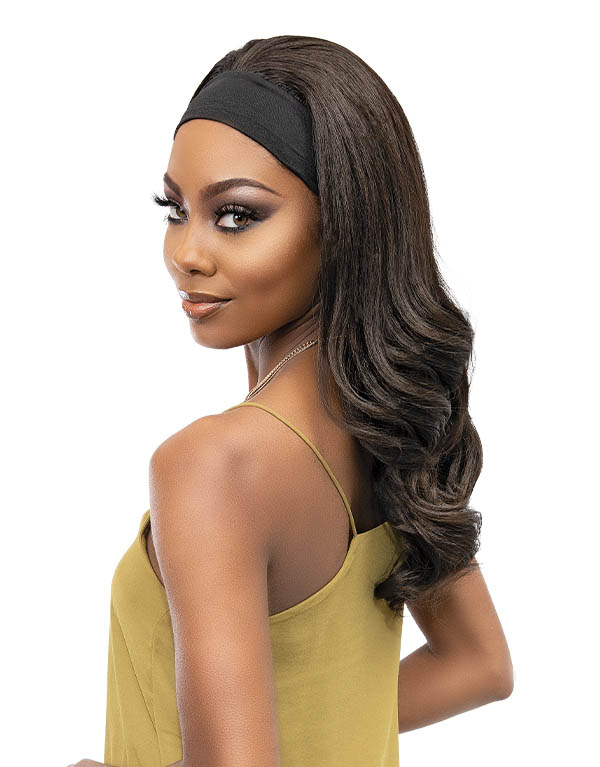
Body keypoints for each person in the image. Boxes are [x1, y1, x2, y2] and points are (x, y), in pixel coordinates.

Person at [68, 33, 513, 767]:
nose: (187, 254)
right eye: (174, 208)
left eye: (237, 215)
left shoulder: (214, 466)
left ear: (342, 227)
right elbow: (478, 664)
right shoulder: (389, 433)